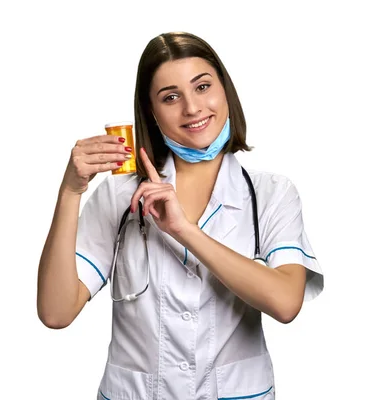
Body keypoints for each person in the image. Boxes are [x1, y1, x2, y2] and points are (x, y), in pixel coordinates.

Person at [37, 31, 324, 400]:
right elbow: (56, 312)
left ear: (225, 91)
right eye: (170, 97)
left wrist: (183, 230)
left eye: (202, 87)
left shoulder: (271, 193)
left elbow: (286, 303)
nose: (191, 108)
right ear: (151, 112)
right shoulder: (119, 195)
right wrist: (70, 191)